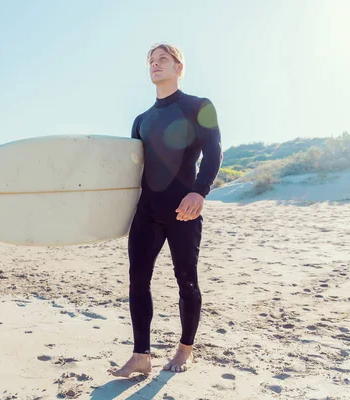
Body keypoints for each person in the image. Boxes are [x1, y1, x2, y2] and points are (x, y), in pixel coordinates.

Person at [110, 43, 222, 376]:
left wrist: (199, 193)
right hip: (147, 210)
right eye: (151, 61)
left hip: (183, 209)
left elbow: (214, 154)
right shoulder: (141, 120)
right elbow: (132, 171)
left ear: (179, 67)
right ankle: (140, 355)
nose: (155, 65)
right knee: (137, 281)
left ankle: (185, 349)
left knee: (186, 279)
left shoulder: (200, 106)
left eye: (163, 60)